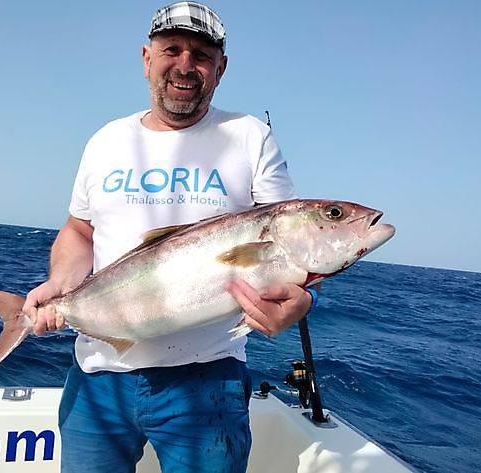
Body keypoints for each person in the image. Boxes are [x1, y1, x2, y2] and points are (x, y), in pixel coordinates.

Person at [23, 2, 313, 472]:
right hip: (98, 373)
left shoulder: (250, 137)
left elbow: (290, 242)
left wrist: (300, 300)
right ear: (145, 58)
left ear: (221, 68)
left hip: (207, 379)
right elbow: (80, 230)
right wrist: (60, 285)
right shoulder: (105, 141)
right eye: (171, 49)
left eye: (201, 54)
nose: (185, 64)